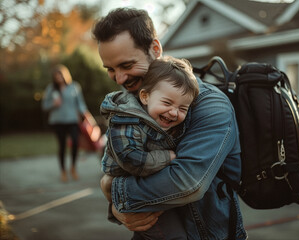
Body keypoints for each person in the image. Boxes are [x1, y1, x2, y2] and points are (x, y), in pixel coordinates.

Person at [93, 7, 247, 240]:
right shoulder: (134, 101)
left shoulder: (212, 105)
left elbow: (187, 182)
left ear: (155, 49)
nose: (120, 79)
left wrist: (113, 191)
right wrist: (117, 202)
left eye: (126, 65)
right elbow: (118, 158)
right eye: (111, 69)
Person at [100, 56, 199, 239]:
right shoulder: (127, 119)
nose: (174, 112)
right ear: (145, 97)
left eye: (183, 108)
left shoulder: (162, 119)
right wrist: (167, 157)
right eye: (167, 103)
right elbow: (131, 158)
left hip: (148, 188)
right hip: (132, 188)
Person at [42, 64, 89, 182]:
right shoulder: (51, 89)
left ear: (65, 75)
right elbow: (44, 106)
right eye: (56, 76)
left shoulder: (74, 87)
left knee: (75, 142)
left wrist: (86, 114)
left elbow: (81, 103)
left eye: (60, 76)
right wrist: (53, 104)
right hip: (57, 121)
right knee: (62, 146)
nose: (58, 78)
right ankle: (63, 171)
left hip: (72, 120)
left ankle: (73, 167)